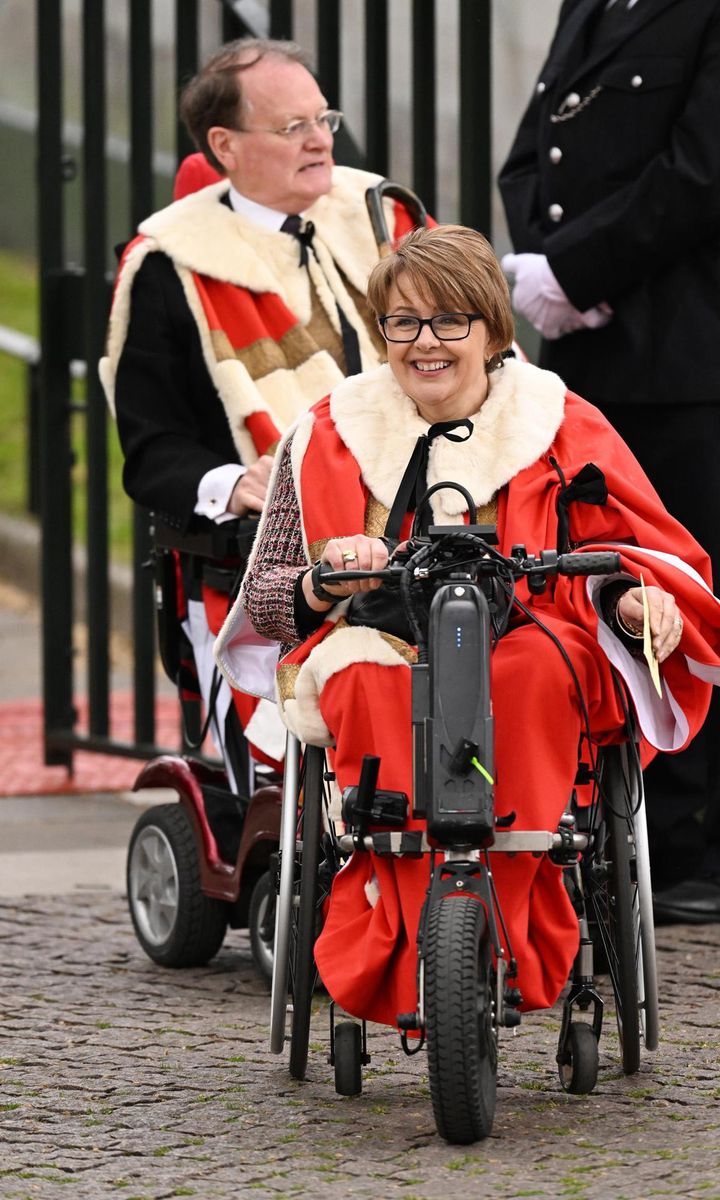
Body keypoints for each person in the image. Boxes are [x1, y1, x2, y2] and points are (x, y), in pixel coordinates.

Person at [215, 224, 720, 1027]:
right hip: (380, 637)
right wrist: (323, 577)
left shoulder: (560, 424)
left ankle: (515, 926)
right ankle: (406, 936)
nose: (426, 343)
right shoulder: (327, 431)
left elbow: (630, 549)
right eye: (403, 323)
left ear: (492, 330)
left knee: (537, 676)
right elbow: (270, 599)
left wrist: (632, 599)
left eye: (451, 321)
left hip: (529, 633)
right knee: (355, 677)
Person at [100, 36, 422, 768]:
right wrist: (234, 483)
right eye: (292, 127)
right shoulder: (169, 263)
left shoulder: (381, 217)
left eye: (323, 119)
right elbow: (153, 450)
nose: (320, 141)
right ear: (225, 145)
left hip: (423, 534)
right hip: (273, 560)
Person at [498, 0, 720, 923]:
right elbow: (539, 144)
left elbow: (702, 171)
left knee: (689, 591)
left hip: (693, 358)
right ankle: (642, 834)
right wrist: (548, 265)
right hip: (601, 354)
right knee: (602, 583)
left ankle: (696, 844)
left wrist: (578, 270)